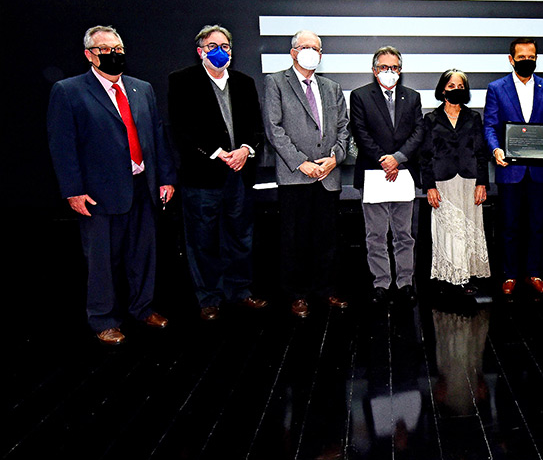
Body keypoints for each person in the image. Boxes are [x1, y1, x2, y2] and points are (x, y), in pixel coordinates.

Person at [47, 25, 176, 344]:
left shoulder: (141, 88)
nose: (114, 54)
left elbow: (157, 136)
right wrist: (73, 190)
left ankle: (143, 308)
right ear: (89, 54)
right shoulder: (69, 91)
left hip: (142, 187)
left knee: (143, 255)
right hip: (98, 194)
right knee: (102, 260)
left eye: (118, 49)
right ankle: (103, 319)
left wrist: (166, 178)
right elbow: (62, 145)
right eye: (105, 49)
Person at [168, 25, 267, 321]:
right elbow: (181, 129)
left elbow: (255, 127)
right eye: (213, 45)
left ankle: (240, 290)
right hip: (202, 176)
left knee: (240, 236)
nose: (220, 50)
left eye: (225, 45)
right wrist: (216, 152)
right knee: (203, 240)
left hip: (239, 174)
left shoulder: (244, 82)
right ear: (200, 51)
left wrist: (246, 149)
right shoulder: (183, 81)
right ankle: (208, 297)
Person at [263, 30, 350, 317]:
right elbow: (274, 129)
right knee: (294, 238)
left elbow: (344, 129)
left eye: (316, 48)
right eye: (305, 47)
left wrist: (334, 160)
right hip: (295, 175)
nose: (311, 51)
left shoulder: (332, 87)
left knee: (327, 238)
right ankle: (297, 294)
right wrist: (302, 162)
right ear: (293, 52)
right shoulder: (275, 82)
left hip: (328, 175)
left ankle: (326, 289)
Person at [483, 38, 543, 296]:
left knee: (538, 224)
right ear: (511, 59)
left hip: (540, 171)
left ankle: (535, 272)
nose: (527, 60)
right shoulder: (496, 88)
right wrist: (496, 149)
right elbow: (489, 126)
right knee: (509, 226)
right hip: (510, 170)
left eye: (532, 56)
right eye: (522, 57)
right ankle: (509, 275)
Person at [350, 46, 426, 304]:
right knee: (376, 235)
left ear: (400, 70)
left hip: (404, 173)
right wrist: (385, 160)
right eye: (384, 67)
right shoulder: (360, 96)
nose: (389, 72)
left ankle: (405, 282)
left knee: (404, 234)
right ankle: (381, 283)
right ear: (374, 70)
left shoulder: (412, 97)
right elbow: (360, 132)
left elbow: (418, 132)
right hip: (374, 173)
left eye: (394, 67)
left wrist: (398, 159)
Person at [421, 70, 491, 290]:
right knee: (449, 229)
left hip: (470, 181)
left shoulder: (473, 117)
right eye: (451, 86)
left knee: (469, 227)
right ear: (443, 90)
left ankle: (467, 276)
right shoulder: (430, 119)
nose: (456, 90)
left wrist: (482, 183)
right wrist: (429, 186)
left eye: (460, 87)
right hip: (443, 181)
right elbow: (424, 156)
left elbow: (481, 152)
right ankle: (449, 275)